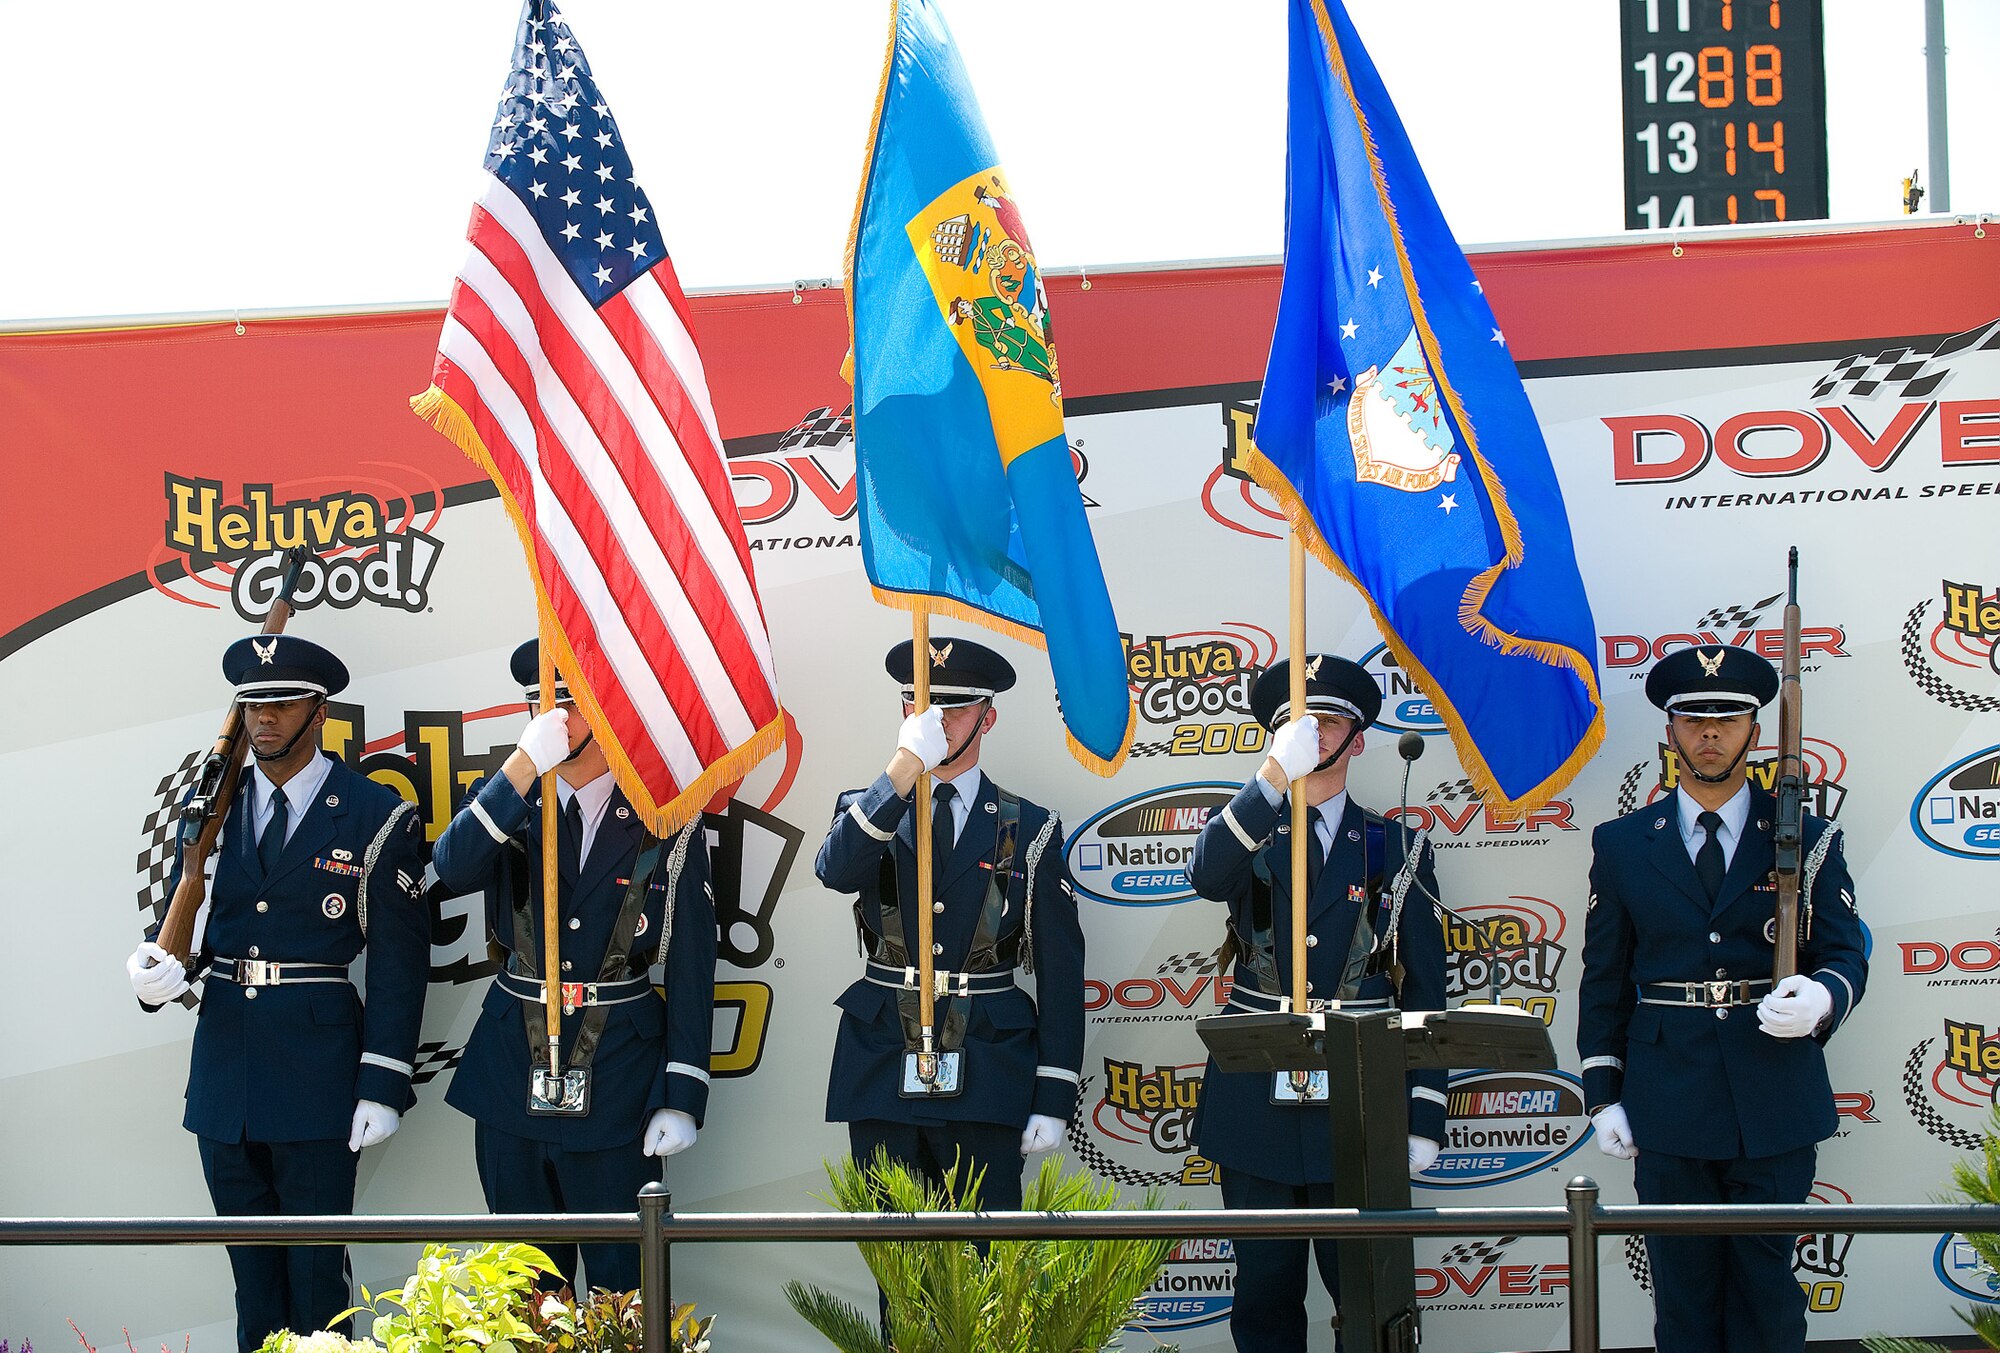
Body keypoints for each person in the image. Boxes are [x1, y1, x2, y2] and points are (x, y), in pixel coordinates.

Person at [125, 635, 430, 1352]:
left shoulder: (371, 813)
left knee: (318, 1283)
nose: (265, 717)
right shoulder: (209, 811)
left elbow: (397, 962)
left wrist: (383, 1081)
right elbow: (186, 922)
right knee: (252, 1281)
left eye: (283, 701)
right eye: (254, 702)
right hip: (226, 1069)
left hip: (318, 1071)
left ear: (319, 709)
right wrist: (156, 974)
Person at [1578, 644, 1866, 1353]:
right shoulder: (1620, 845)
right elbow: (1605, 977)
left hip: (1773, 1094)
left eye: (1730, 718)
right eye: (1694, 719)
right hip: (1667, 1097)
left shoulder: (1806, 838)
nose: (1711, 733)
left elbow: (1847, 950)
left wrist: (1823, 998)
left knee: (1768, 1299)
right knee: (1684, 1297)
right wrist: (1601, 1091)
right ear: (1669, 733)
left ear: (1756, 731)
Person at [432, 639, 716, 1297]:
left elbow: (693, 960)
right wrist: (524, 765)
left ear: (610, 709)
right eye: (537, 702)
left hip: (620, 1079)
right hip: (510, 1076)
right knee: (523, 1296)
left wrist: (684, 1089)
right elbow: (451, 868)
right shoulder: (508, 799)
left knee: (625, 1291)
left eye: (565, 702)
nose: (549, 714)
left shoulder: (664, 811)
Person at [1187, 654, 1446, 1353]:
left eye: (1329, 722)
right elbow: (1205, 875)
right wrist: (1272, 778)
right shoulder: (1244, 829)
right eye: (1299, 725)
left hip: (1361, 1103)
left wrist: (1423, 1113)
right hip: (1254, 1105)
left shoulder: (1400, 847)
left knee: (1371, 1299)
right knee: (1264, 1301)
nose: (1315, 734)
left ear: (1358, 739)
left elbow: (1425, 989)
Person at [814, 637, 1083, 1214]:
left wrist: (1054, 1094)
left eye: (955, 708)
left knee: (987, 1275)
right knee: (901, 1278)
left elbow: (1062, 973)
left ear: (988, 716)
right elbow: (836, 871)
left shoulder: (1030, 827)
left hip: (988, 1069)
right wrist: (902, 773)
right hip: (884, 1063)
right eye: (918, 704)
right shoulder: (866, 807)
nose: (935, 721)